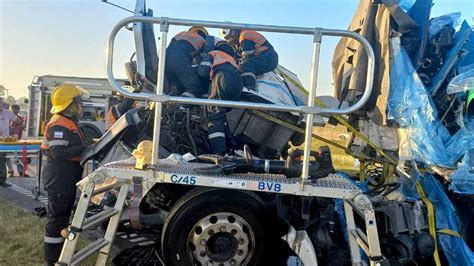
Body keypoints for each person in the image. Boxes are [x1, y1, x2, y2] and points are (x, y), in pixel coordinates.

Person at [40, 84, 92, 265]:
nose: (82, 106)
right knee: (57, 219)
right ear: (71, 104)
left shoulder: (67, 121)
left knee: (63, 215)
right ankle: (52, 258)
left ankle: (61, 252)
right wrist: (84, 146)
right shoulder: (59, 123)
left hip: (64, 177)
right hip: (59, 177)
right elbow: (58, 152)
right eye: (79, 102)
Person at [197, 41, 243, 155]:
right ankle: (232, 146)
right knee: (220, 116)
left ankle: (218, 152)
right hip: (238, 85)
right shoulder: (231, 60)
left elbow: (203, 71)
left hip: (222, 77)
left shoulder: (213, 53)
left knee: (215, 116)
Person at [165, 26, 208, 98]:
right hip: (179, 59)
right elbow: (203, 62)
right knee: (194, 88)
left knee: (177, 86)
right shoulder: (202, 40)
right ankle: (182, 107)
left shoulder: (181, 34)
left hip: (166, 61)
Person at [0, 98, 20, 187]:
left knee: (2, 160)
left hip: (4, 142)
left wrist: (13, 129)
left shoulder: (6, 112)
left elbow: (18, 120)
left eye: (0, 103)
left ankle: (2, 180)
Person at [8, 104, 27, 177]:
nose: (16, 111)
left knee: (20, 155)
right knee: (6, 156)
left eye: (17, 109)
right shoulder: (7, 117)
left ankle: (21, 172)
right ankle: (10, 171)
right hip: (7, 140)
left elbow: (22, 127)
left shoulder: (20, 118)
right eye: (14, 109)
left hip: (17, 139)